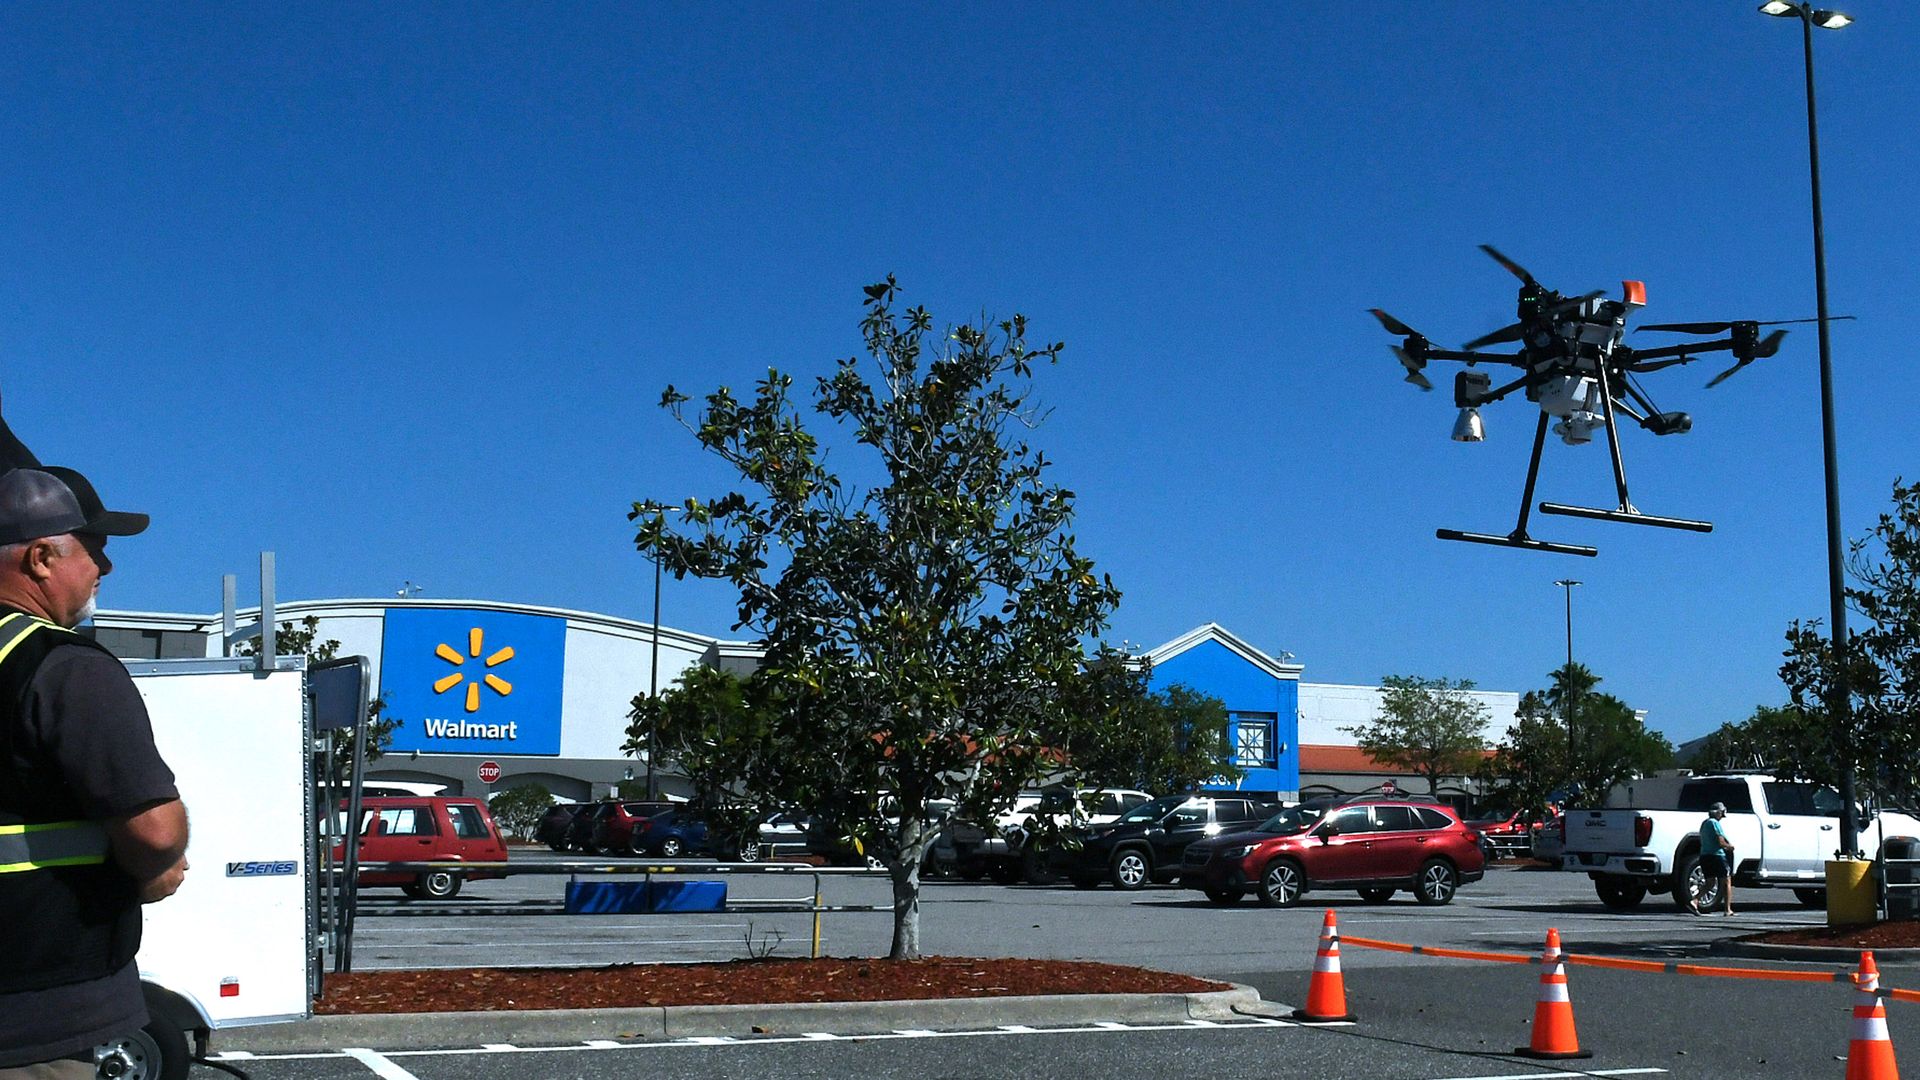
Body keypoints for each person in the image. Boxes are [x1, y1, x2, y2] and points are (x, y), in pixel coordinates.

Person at [0, 465, 187, 1079]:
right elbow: (155, 833)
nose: (106, 568)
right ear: (42, 558)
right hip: (40, 1020)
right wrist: (154, 867)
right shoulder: (66, 668)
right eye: (96, 549)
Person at [1693, 801, 1735, 916]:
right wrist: (1729, 847)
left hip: (1705, 855)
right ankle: (1727, 909)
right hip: (1717, 855)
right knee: (1726, 880)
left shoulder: (1704, 823)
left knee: (1710, 882)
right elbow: (1720, 841)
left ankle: (1695, 900)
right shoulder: (1715, 823)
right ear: (1718, 813)